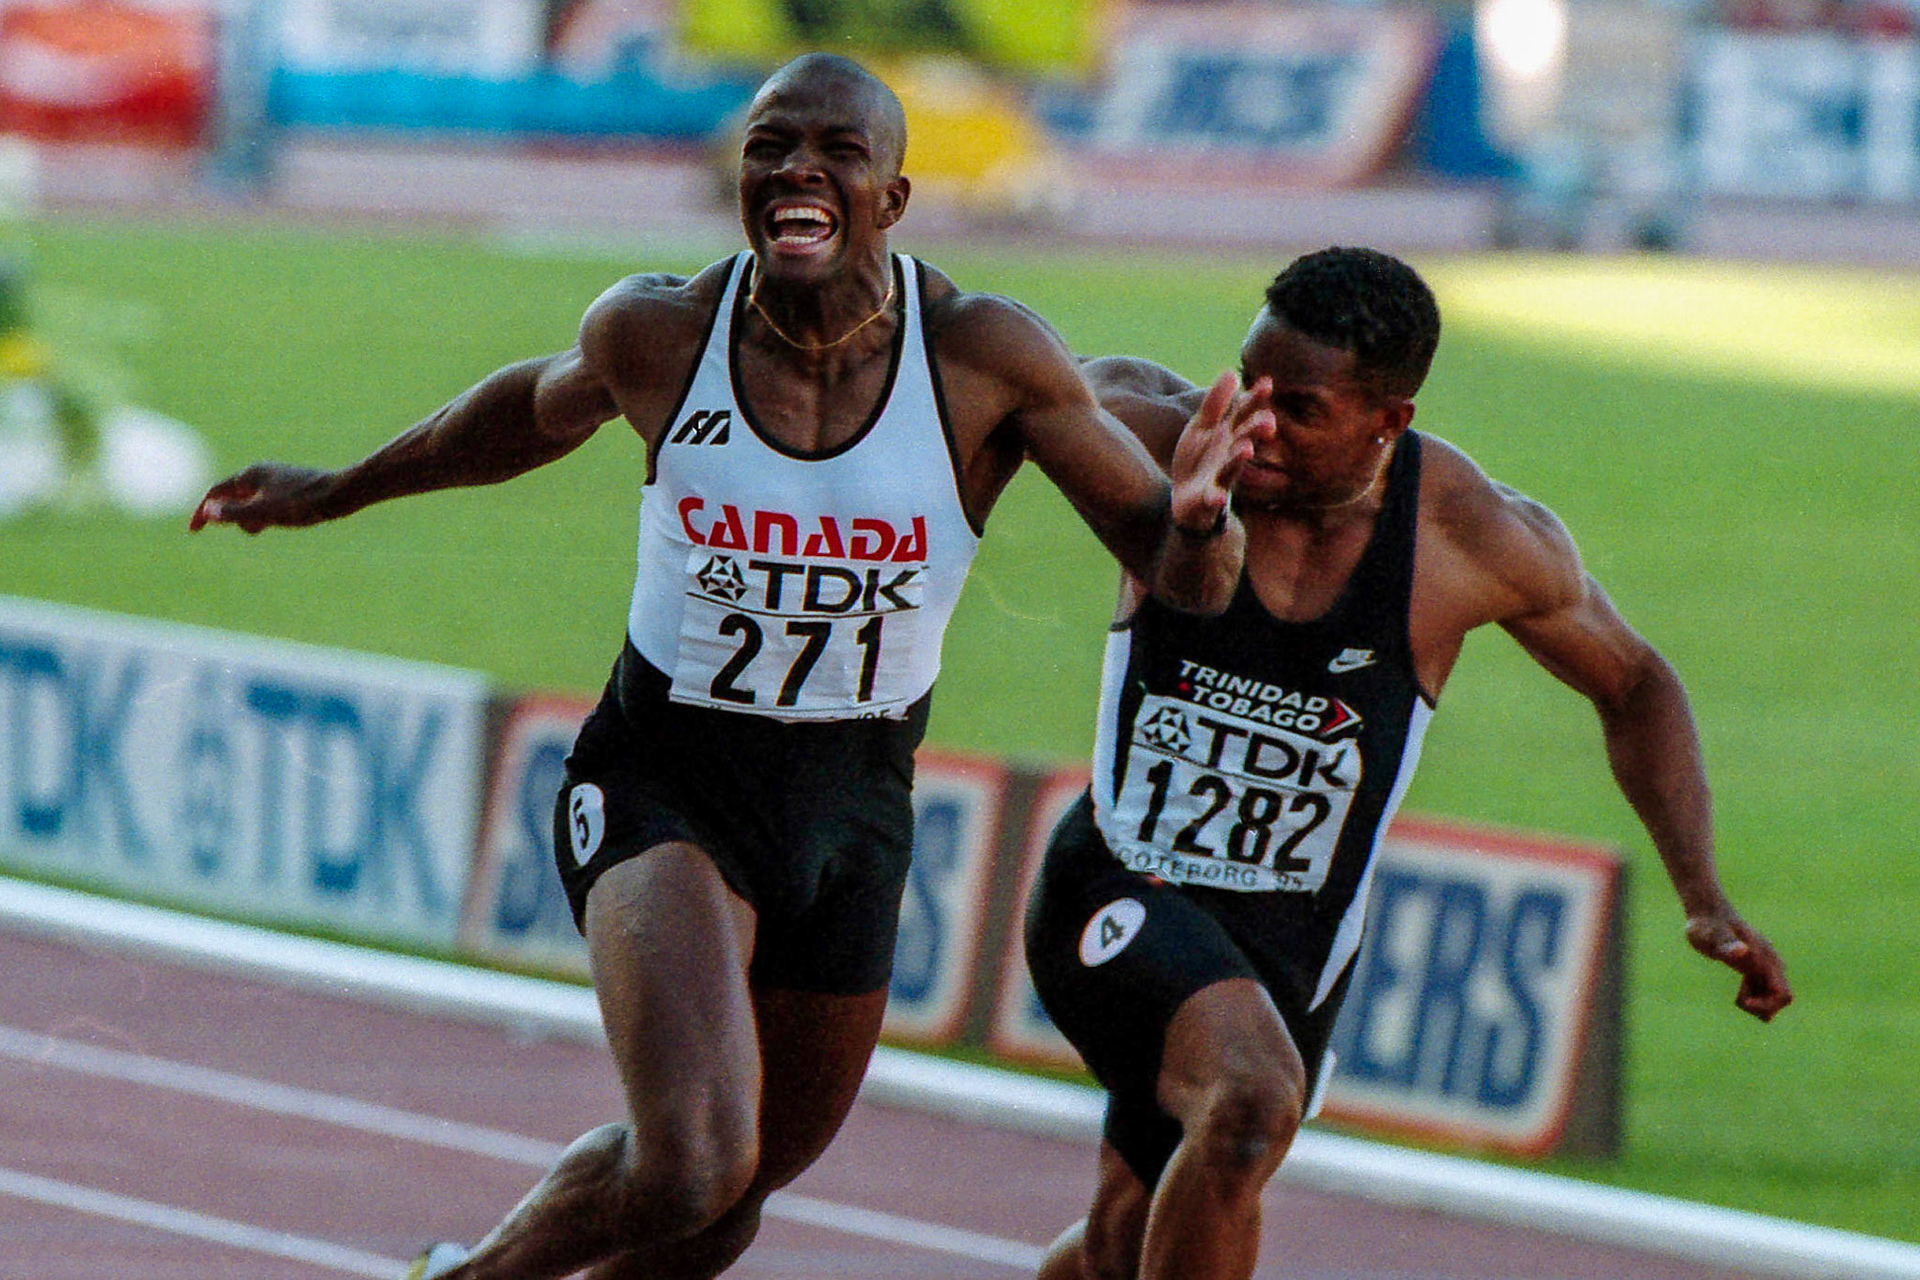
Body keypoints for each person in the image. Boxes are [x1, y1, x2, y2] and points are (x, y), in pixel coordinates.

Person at [189, 53, 1271, 1280]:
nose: (797, 169)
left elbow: (1192, 582)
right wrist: (336, 490)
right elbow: (515, 416)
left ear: (894, 199)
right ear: (738, 176)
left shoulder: (982, 357)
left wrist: (1194, 521)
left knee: (725, 1209)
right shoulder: (660, 331)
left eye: (835, 151)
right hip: (667, 774)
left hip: (857, 803)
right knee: (692, 1156)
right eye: (769, 145)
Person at [1023, 246, 1792, 1280]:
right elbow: (995, 392)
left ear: (1390, 420)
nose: (1253, 424)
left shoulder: (1469, 536)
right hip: (1118, 877)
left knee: (1127, 1243)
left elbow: (1635, 682)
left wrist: (1703, 891)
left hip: (1296, 939)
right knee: (1250, 1105)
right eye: (1247, 380)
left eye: (1300, 407)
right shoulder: (1158, 430)